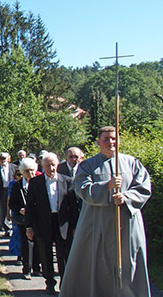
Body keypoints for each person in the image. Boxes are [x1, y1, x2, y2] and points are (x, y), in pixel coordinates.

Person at [61, 126, 152, 297]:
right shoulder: (87, 165)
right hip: (97, 224)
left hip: (126, 224)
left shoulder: (132, 163)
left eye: (114, 139)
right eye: (106, 139)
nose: (111, 142)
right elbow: (82, 189)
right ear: (98, 142)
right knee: (96, 264)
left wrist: (126, 197)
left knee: (128, 264)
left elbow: (144, 188)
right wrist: (107, 186)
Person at [24, 152, 79, 295]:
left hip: (62, 223)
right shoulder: (35, 183)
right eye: (48, 165)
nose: (51, 168)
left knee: (63, 255)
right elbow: (30, 206)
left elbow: (73, 207)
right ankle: (49, 282)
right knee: (46, 254)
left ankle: (64, 283)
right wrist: (29, 227)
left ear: (58, 165)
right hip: (43, 223)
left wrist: (74, 227)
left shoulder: (67, 181)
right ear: (42, 166)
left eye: (53, 165)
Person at [8, 158, 38, 280]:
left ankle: (37, 267)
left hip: (38, 218)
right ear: (22, 171)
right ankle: (27, 269)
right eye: (27, 171)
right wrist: (20, 209)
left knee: (38, 243)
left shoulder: (39, 183)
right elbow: (12, 204)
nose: (30, 173)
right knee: (26, 243)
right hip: (23, 219)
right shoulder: (17, 186)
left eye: (32, 170)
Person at [0, 152, 17, 236]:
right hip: (1, 191)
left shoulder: (14, 167)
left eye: (4, 158)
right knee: (3, 210)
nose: (2, 160)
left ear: (8, 158)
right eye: (1, 158)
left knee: (15, 208)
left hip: (12, 190)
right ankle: (6, 229)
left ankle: (16, 227)